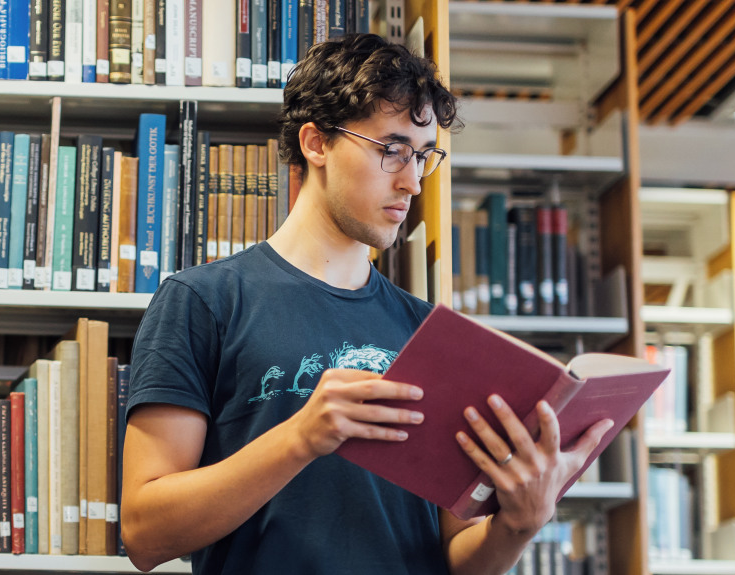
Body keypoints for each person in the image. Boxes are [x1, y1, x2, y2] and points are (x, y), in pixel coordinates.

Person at [119, 34, 615, 574]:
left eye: (424, 156)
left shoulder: (430, 332)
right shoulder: (203, 301)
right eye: (391, 149)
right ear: (316, 144)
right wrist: (301, 438)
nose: (412, 180)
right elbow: (145, 533)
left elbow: (455, 557)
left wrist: (518, 525)